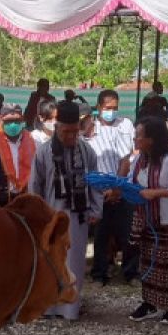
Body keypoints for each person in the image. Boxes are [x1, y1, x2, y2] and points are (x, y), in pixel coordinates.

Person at [29, 100, 101, 321]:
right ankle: (49, 308)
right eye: (66, 131)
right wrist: (38, 217)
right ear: (57, 128)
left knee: (74, 263)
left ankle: (70, 310)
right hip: (52, 217)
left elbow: (95, 183)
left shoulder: (87, 151)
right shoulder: (43, 152)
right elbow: (35, 186)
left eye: (74, 131)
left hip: (78, 219)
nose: (70, 136)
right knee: (51, 262)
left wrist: (96, 210)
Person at [125, 117, 168, 324]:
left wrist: (155, 193)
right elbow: (132, 180)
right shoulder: (140, 160)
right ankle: (149, 303)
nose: (136, 139)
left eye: (139, 135)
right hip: (148, 219)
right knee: (148, 262)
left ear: (152, 139)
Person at [87, 89, 137, 285]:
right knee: (101, 235)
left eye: (115, 108)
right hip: (100, 192)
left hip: (122, 188)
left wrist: (117, 187)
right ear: (99, 107)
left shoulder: (124, 125)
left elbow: (126, 159)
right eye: (108, 108)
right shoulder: (90, 128)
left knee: (128, 233)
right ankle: (99, 273)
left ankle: (130, 272)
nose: (111, 112)